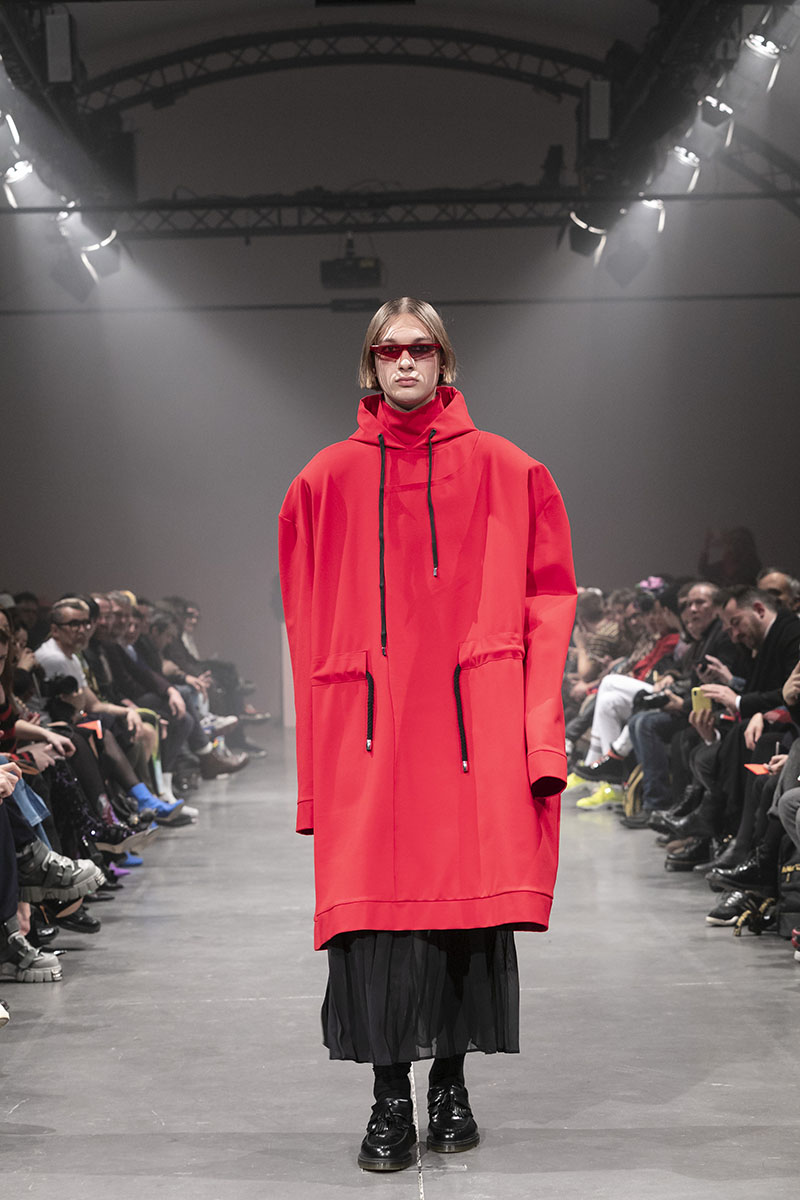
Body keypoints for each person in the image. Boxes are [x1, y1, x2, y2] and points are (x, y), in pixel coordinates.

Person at [279, 297, 576, 1172]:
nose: (404, 362)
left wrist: (536, 737)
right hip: (369, 736)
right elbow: (304, 628)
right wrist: (316, 768)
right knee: (373, 925)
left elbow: (550, 606)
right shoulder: (323, 480)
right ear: (369, 366)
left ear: (445, 360)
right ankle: (387, 1098)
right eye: (388, 350)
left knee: (463, 917)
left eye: (420, 348)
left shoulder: (512, 471)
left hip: (471, 732)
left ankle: (450, 1086)